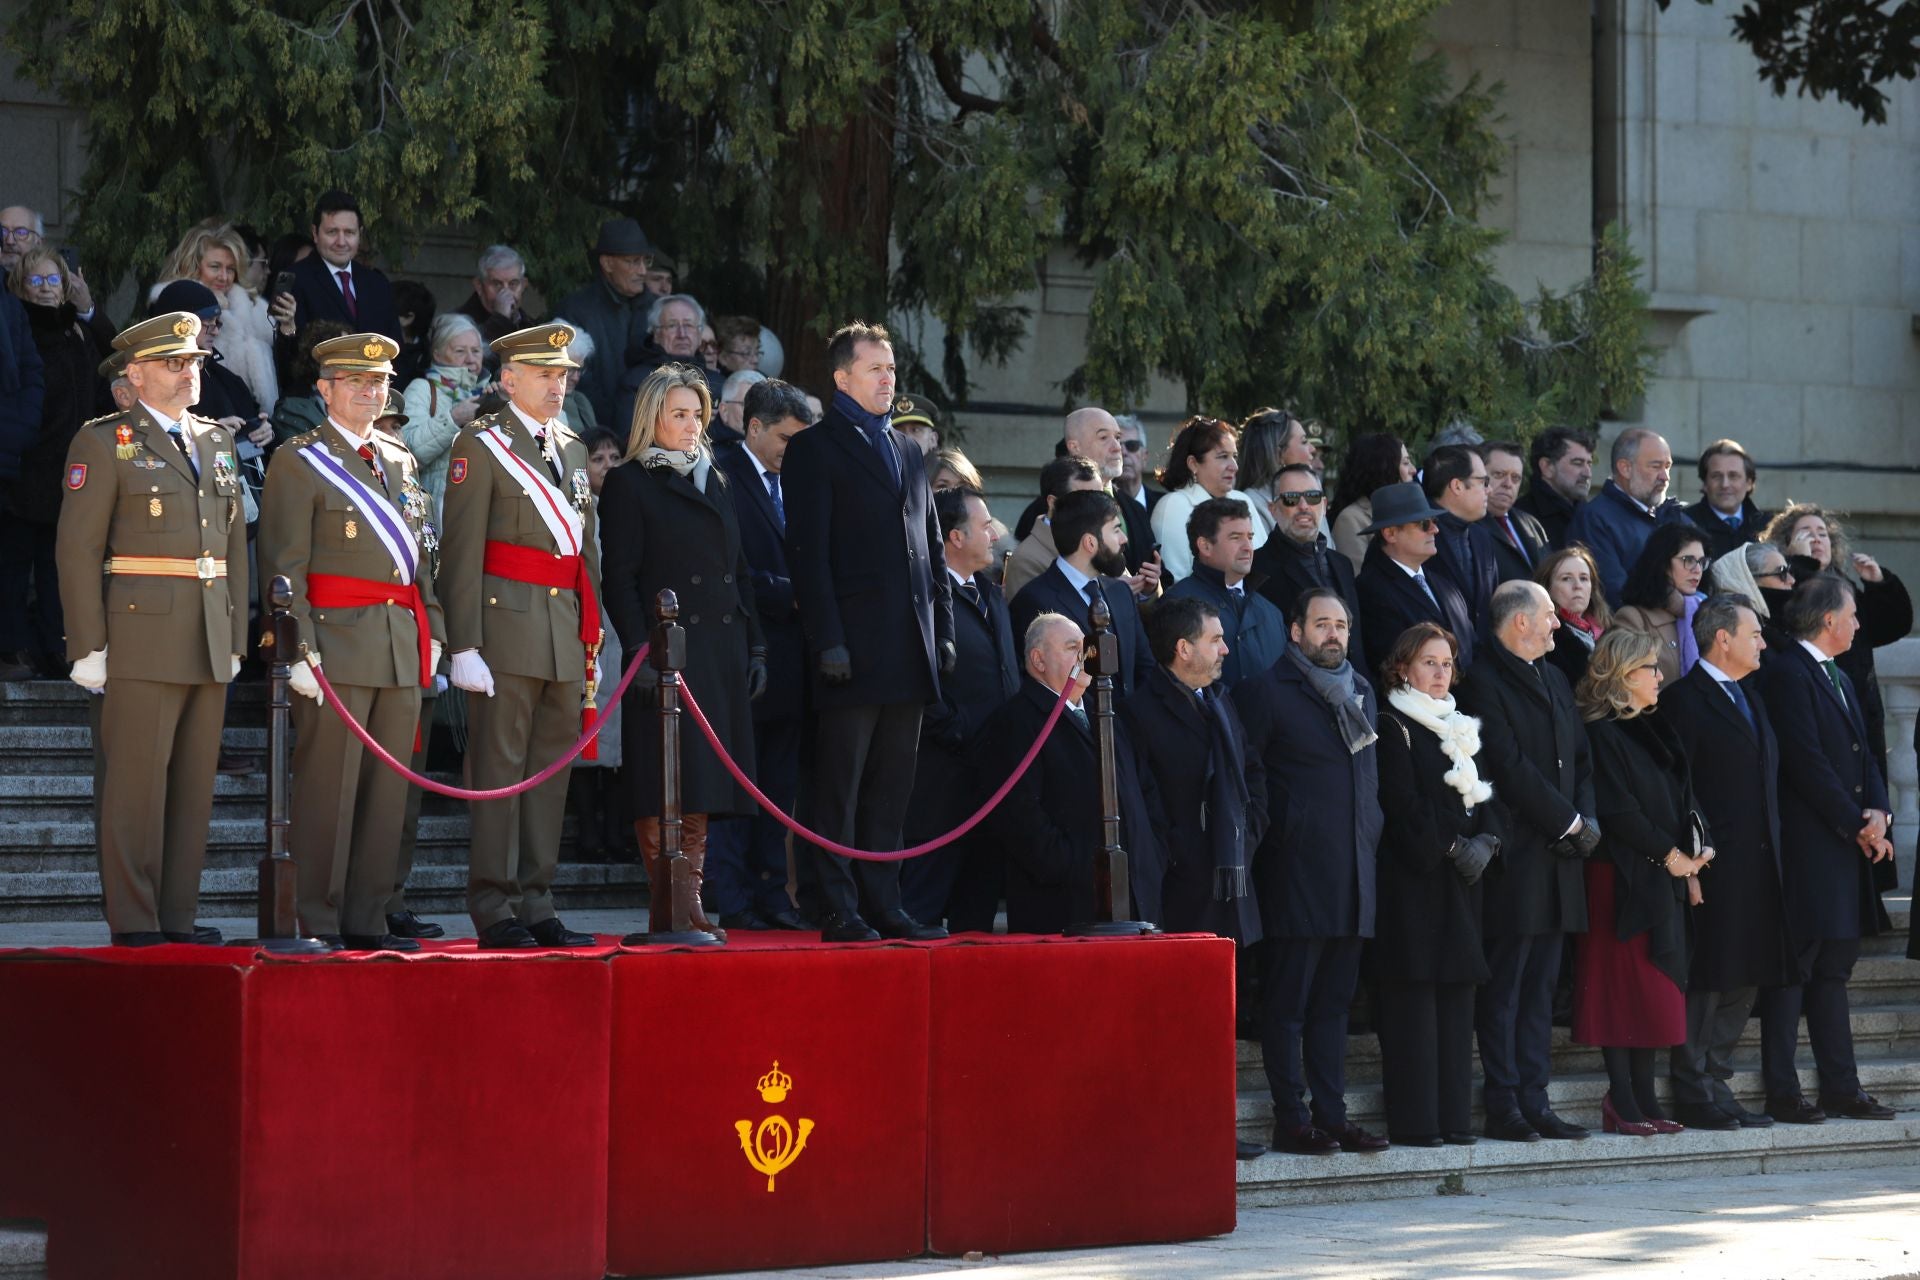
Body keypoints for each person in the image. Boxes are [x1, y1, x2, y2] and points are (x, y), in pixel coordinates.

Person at [55, 312, 248, 946]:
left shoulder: (216, 439)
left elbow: (234, 548)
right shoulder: (103, 440)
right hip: (138, 636)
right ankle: (136, 921)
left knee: (193, 789)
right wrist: (87, 645)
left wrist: (237, 635)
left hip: (206, 636)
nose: (189, 371)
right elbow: (77, 550)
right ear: (133, 374)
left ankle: (178, 918)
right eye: (174, 362)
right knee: (135, 787)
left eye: (193, 361)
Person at [257, 333, 445, 952]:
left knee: (386, 794)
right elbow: (285, 568)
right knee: (328, 790)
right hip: (334, 646)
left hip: (398, 644)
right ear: (325, 390)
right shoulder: (299, 458)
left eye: (380, 382)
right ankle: (319, 916)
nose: (371, 391)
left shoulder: (399, 457)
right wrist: (299, 649)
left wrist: (435, 630)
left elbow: (421, 559)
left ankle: (369, 917)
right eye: (357, 382)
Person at [781, 320, 954, 942]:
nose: (888, 379)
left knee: (891, 787)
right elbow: (809, 554)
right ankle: (836, 904)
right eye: (876, 369)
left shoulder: (908, 450)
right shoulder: (814, 448)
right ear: (842, 377)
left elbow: (930, 548)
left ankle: (885, 900)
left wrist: (945, 630)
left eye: (891, 369)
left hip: (909, 645)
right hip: (849, 648)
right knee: (839, 785)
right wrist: (827, 637)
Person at [440, 323, 603, 950]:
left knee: (548, 776)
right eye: (544, 373)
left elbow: (585, 553)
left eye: (563, 374)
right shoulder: (481, 446)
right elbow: (461, 552)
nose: (558, 384)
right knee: (500, 774)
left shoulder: (571, 444)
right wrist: (464, 645)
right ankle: (495, 905)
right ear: (508, 379)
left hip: (564, 632)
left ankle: (539, 901)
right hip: (503, 630)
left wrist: (593, 629)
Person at [600, 362, 764, 940]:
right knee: (661, 778)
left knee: (702, 784)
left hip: (717, 649)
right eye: (678, 414)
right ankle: (669, 902)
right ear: (653, 418)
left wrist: (757, 646)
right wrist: (640, 649)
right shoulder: (630, 482)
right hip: (663, 655)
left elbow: (737, 570)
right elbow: (619, 578)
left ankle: (690, 897)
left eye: (697, 414)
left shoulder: (716, 479)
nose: (691, 425)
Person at [1235, 587, 1389, 1156]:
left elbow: (1368, 783)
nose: (1334, 635)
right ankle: (1290, 1118)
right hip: (1294, 873)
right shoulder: (1264, 693)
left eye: (1342, 625)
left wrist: (1369, 833)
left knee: (1333, 1007)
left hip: (1354, 873)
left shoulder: (1363, 692)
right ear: (1295, 631)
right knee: (1288, 1005)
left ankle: (1332, 1115)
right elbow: (1248, 783)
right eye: (1321, 624)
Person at [1458, 581, 1600, 1142]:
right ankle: (1504, 1103)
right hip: (1519, 855)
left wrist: (1585, 821)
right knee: (1508, 986)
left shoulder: (1556, 675)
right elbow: (1509, 768)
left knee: (1542, 986)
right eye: (1547, 615)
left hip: (1562, 856)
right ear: (1519, 621)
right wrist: (1568, 822)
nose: (1557, 624)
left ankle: (1536, 1099)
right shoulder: (1484, 683)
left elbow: (1581, 758)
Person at [1754, 576, 1897, 1123]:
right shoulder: (1789, 673)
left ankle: (1842, 1086)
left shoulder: (1833, 672)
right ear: (1827, 620)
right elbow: (1805, 763)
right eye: (1853, 615)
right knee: (1797, 968)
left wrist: (1879, 811)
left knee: (1834, 967)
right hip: (1811, 846)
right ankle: (1783, 1091)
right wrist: (1854, 823)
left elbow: (1864, 751)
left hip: (1844, 844)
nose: (1859, 624)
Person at [1660, 594, 1796, 1130]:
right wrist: (1692, 861)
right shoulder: (1683, 701)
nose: (1763, 642)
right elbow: (1680, 788)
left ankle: (1717, 1082)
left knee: (1747, 975)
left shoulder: (1751, 697)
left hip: (1762, 867)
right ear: (1723, 639)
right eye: (1754, 634)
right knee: (1711, 976)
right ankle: (1692, 1089)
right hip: (1712, 867)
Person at [1573, 629, 1706, 1134]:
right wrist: (1670, 856)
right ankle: (1622, 1099)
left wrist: (1698, 847)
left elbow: (1683, 796)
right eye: (1649, 668)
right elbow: (1618, 810)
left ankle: (1647, 1098)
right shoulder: (1603, 732)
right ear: (1621, 676)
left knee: (1657, 987)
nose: (1659, 675)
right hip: (1621, 878)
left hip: (1662, 875)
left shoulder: (1655, 726)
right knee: (1623, 990)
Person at [1372, 622, 1498, 1148]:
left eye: (1447, 663)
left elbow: (1490, 794)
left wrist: (1488, 842)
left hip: (1463, 886)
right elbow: (1400, 804)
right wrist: (1451, 846)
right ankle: (1418, 1123)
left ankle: (1454, 1120)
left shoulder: (1460, 726)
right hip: (1414, 885)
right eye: (1429, 662)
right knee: (1415, 1004)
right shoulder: (1391, 721)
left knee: (1455, 1001)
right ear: (1403, 667)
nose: (1441, 672)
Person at [975, 613, 1162, 932]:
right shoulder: (1015, 722)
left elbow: (1143, 790)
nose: (1084, 656)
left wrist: (1151, 855)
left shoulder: (1107, 715)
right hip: (1064, 909)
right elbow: (1021, 819)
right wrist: (1076, 867)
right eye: (1072, 647)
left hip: (1133, 901)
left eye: (1085, 647)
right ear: (1039, 659)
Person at [709, 379, 812, 930]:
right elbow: (729, 563)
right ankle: (735, 897)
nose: (792, 449)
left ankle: (775, 894)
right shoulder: (722, 475)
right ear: (753, 427)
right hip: (746, 649)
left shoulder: (799, 480)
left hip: (794, 656)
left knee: (779, 785)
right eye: (785, 438)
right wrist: (790, 591)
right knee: (738, 782)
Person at [901, 486, 1021, 928]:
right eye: (985, 524)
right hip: (939, 786)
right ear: (954, 536)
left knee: (978, 920)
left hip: (991, 783)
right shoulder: (924, 597)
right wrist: (956, 729)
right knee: (922, 912)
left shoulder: (992, 596)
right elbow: (919, 680)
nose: (994, 534)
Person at [1121, 594, 1264, 940]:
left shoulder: (1220, 700)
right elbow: (1141, 802)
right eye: (1215, 640)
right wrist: (1176, 853)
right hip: (1180, 891)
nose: (1225, 649)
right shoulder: (1137, 712)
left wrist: (1249, 832)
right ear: (1183, 649)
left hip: (1234, 879)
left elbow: (1252, 770)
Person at [1761, 502, 1912, 798]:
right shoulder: (1783, 585)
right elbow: (1787, 617)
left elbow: (1893, 626)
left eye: (1822, 533)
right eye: (1805, 532)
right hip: (1814, 710)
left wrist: (1879, 582)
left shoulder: (1844, 587)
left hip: (1861, 708)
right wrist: (1799, 565)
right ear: (1786, 543)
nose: (1816, 539)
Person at [6, 248, 109, 677]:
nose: (47, 290)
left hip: (69, 474)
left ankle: (54, 646)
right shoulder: (17, 328)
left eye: (54, 281)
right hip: (23, 469)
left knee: (56, 568)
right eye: (37, 281)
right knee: (13, 567)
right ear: (19, 286)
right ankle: (12, 649)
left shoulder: (76, 332)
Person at [1008, 488, 1155, 698]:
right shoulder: (1034, 600)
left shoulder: (1120, 592)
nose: (1123, 539)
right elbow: (1040, 682)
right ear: (1090, 543)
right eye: (1115, 530)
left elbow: (1144, 665)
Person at [1012, 406, 1158, 580]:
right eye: (1104, 438)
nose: (1117, 448)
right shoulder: (1046, 509)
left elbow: (1154, 576)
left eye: (1117, 438)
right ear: (1075, 447)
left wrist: (1148, 591)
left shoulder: (1134, 509)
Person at [1251, 464, 1367, 681]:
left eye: (1312, 497)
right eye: (1292, 498)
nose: (1303, 506)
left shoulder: (1341, 564)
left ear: (1323, 504)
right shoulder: (1257, 567)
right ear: (1273, 509)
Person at [1163, 497, 1287, 686]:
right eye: (1235, 538)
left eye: (1250, 537)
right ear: (1205, 546)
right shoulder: (1175, 604)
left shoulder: (1272, 612)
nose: (1248, 547)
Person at [1564, 428, 1694, 607]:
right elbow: (1615, 593)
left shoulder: (1675, 517)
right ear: (1625, 468)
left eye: (1668, 467)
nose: (1665, 477)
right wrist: (1671, 603)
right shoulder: (1593, 520)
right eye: (1655, 466)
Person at [1355, 481, 1475, 674]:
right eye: (1424, 524)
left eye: (1434, 522)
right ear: (1390, 533)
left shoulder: (1443, 583)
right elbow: (1393, 664)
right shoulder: (1371, 590)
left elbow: (1471, 646)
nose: (1435, 530)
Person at [157, 222, 278, 412]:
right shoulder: (171, 311)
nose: (224, 277)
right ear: (193, 267)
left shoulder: (254, 312)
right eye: (215, 267)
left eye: (230, 269)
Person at [557, 218, 659, 424]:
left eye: (645, 261)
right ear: (607, 263)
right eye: (633, 261)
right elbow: (579, 376)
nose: (643, 271)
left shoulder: (657, 309)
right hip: (599, 431)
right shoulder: (576, 309)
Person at [271, 189, 402, 342]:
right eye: (332, 232)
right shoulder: (289, 279)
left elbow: (397, 351)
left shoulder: (378, 284)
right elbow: (283, 354)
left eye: (349, 233)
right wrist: (288, 328)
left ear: (359, 234)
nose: (341, 242)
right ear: (315, 233)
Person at [1150, 416, 1267, 582]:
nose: (1234, 466)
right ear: (1193, 464)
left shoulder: (1243, 500)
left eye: (1234, 456)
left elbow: (1263, 565)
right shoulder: (1173, 506)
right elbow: (1176, 580)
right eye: (1223, 456)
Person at [400, 313, 489, 522]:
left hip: (482, 506)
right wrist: (453, 418)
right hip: (438, 511)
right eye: (460, 351)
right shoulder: (421, 389)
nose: (470, 358)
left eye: (476, 351)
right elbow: (408, 452)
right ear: (437, 354)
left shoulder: (488, 390)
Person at [1609, 523, 1711, 689]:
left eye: (1701, 561)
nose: (1697, 569)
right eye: (1689, 560)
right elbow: (1628, 686)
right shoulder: (1632, 618)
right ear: (1662, 563)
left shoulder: (1707, 611)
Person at [614, 294, 724, 429]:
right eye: (672, 325)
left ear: (699, 333)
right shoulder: (636, 382)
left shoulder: (718, 383)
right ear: (656, 333)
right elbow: (629, 438)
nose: (682, 334)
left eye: (689, 325)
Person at [1004, 456, 1107, 600]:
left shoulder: (1105, 541)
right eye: (1082, 500)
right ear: (1053, 503)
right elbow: (1037, 619)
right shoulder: (1026, 560)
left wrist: (1141, 594)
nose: (1096, 509)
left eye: (1101, 498)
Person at [1424, 444, 1500, 626]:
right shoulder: (1418, 535)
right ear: (1457, 486)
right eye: (1483, 482)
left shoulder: (1482, 537)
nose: (1489, 490)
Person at [1328, 432, 1414, 571]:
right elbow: (1360, 579)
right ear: (1383, 468)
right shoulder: (1351, 519)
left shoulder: (1405, 512)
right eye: (1405, 463)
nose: (1413, 470)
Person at [1236, 408, 1321, 541]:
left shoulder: (1316, 493)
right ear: (1279, 454)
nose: (1312, 449)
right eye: (1304, 441)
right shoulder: (1252, 505)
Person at [1535, 544, 1611, 689]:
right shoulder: (1547, 640)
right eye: (1566, 579)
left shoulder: (1611, 629)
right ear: (1547, 588)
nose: (1577, 586)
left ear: (1592, 586)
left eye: (1584, 578)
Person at [1513, 425, 1595, 551]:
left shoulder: (1592, 516)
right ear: (1547, 467)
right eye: (1578, 463)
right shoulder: (1519, 519)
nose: (1587, 473)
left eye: (1589, 464)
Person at [1479, 441, 1550, 581]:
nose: (1508, 484)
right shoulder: (1468, 525)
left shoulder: (1532, 524)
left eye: (1515, 478)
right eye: (1499, 474)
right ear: (1479, 475)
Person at [1684, 439, 1764, 560]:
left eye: (1733, 476)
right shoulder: (1685, 524)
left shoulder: (1768, 526)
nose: (1725, 484)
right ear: (1705, 483)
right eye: (1716, 476)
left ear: (1749, 483)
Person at [458, 245, 539, 345]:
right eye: (497, 284)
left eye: (513, 284)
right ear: (479, 286)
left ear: (523, 286)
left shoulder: (530, 326)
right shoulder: (457, 324)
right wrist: (501, 319)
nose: (506, 292)